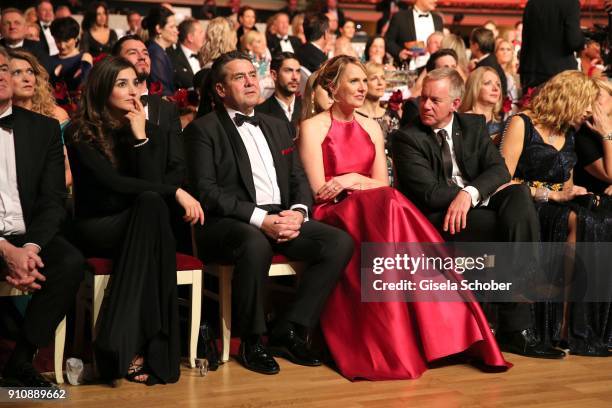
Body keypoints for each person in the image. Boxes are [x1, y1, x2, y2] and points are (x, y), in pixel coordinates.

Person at [298, 55, 510, 380]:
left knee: (390, 202)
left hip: (375, 206)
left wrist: (354, 179)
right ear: (332, 86)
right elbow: (319, 192)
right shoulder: (312, 127)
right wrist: (354, 186)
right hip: (334, 213)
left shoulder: (371, 126)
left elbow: (380, 184)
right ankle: (400, 335)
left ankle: (440, 330)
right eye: (354, 81)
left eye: (364, 81)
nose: (362, 87)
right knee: (391, 204)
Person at [183, 51, 353, 375]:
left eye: (252, 74)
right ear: (220, 90)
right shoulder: (202, 130)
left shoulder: (277, 126)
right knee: (255, 243)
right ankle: (251, 341)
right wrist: (262, 220)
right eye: (239, 77)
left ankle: (288, 328)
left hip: (281, 217)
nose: (250, 82)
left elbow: (298, 178)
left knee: (338, 243)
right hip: (231, 224)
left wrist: (299, 213)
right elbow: (208, 193)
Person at [392, 68, 566, 359]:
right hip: (435, 218)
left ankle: (512, 321)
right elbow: (429, 193)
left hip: (471, 204)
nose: (426, 106)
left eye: (435, 100)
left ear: (455, 104)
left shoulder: (472, 125)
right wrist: (468, 196)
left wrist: (469, 194)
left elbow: (498, 170)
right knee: (500, 222)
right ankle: (517, 326)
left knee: (519, 195)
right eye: (424, 98)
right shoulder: (407, 137)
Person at [65, 56, 204, 385]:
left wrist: (141, 137)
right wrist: (176, 193)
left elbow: (150, 185)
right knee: (155, 208)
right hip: (99, 225)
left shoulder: (148, 130)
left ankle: (118, 348)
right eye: (122, 84)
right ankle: (145, 350)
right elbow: (114, 187)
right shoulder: (80, 131)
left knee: (152, 205)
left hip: (141, 222)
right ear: (102, 89)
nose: (133, 91)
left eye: (136, 83)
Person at [500, 70, 612, 356]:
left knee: (596, 218)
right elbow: (501, 180)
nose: (589, 111)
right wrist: (550, 194)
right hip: (524, 206)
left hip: (557, 204)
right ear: (569, 98)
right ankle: (560, 327)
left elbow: (567, 183)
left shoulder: (570, 135)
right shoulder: (521, 123)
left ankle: (579, 327)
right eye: (585, 103)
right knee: (578, 220)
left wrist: (574, 193)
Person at [0, 46, 84, 388]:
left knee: (69, 261)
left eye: (4, 67)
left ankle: (21, 358)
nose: (3, 75)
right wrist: (5, 251)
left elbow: (53, 200)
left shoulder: (44, 128)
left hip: (28, 235)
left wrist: (30, 247)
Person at [8, 49, 72, 187]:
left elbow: (69, 170)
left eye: (30, 71)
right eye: (17, 72)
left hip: (52, 197)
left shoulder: (56, 115)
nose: (27, 78)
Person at [519, 0, 585, 91]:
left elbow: (526, 38)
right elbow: (574, 41)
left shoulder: (531, 3)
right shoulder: (571, 3)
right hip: (560, 73)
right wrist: (583, 40)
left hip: (531, 71)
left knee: (532, 104)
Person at [356, 61, 400, 182]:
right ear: (363, 83)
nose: (380, 83)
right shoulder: (354, 116)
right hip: (363, 175)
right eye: (374, 78)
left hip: (393, 174)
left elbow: (398, 151)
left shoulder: (392, 115)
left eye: (383, 78)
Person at [574, 78, 612, 195]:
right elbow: (610, 175)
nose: (594, 102)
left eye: (598, 95)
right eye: (589, 98)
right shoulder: (582, 136)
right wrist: (607, 134)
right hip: (597, 198)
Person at [384, 0, 443, 67]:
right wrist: (399, 52)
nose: (436, 1)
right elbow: (388, 41)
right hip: (407, 68)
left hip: (435, 68)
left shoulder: (438, 20)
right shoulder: (400, 17)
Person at [48, 17, 93, 96]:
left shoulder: (84, 58)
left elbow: (85, 84)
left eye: (66, 41)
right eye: (58, 41)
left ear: (76, 39)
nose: (62, 46)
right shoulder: (49, 59)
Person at [459, 66, 504, 145]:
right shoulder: (461, 122)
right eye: (487, 83)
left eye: (498, 84)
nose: (495, 88)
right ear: (474, 87)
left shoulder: (503, 127)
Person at [256, 52, 302, 128]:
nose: (295, 77)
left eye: (298, 71)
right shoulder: (260, 113)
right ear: (274, 75)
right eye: (288, 71)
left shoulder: (308, 108)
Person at [142, 6, 178, 96]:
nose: (176, 31)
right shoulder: (155, 53)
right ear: (158, 29)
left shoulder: (160, 51)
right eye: (172, 27)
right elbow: (162, 91)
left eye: (176, 27)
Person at [470, 27, 507, 102]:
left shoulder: (486, 66)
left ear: (476, 46)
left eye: (470, 43)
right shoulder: (490, 60)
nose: (470, 47)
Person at [167, 18, 205, 90]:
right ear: (190, 37)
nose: (204, 36)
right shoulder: (173, 58)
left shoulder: (205, 56)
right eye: (200, 32)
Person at [495, 39, 520, 115]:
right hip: (498, 113)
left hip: (514, 113)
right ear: (496, 53)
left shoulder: (516, 74)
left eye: (508, 49)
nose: (505, 52)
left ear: (512, 53)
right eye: (502, 49)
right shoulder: (493, 72)